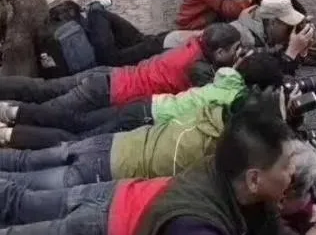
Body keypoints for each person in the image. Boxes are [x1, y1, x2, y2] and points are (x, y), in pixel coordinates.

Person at [0, 93, 316, 235]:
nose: (293, 178)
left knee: (17, 198)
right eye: (288, 170)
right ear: (254, 178)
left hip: (119, 194)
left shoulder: (233, 177)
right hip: (100, 229)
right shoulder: (196, 230)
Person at [0, 53, 284, 186]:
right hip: (144, 120)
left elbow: (228, 71)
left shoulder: (227, 79)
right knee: (74, 139)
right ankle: (8, 132)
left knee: (74, 125)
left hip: (147, 104)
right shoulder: (234, 103)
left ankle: (10, 114)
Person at [0, 24, 242, 131]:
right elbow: (210, 96)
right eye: (235, 49)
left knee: (42, 89)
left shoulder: (194, 43)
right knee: (46, 114)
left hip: (110, 75)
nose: (238, 53)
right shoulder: (199, 69)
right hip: (108, 91)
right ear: (220, 52)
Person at [232, 0, 315, 74]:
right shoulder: (247, 40)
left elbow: (278, 61)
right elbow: (274, 78)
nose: (291, 31)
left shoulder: (263, 31)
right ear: (273, 22)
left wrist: (301, 50)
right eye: (289, 26)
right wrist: (292, 51)